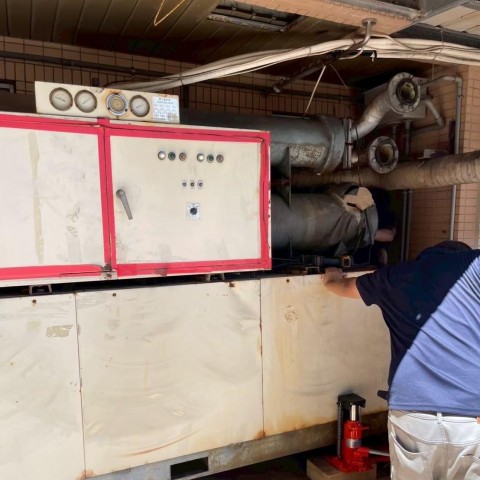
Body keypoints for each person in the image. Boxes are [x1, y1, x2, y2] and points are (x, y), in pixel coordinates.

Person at [322, 240, 480, 480]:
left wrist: (330, 278)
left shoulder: (394, 277)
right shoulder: (473, 267)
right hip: (468, 418)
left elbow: (343, 287)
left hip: (412, 416)